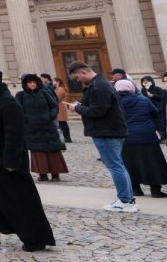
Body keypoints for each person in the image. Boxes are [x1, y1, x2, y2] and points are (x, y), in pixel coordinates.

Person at [0, 67, 56, 252]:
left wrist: (11, 162)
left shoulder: (8, 104)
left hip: (5, 163)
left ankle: (36, 237)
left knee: (18, 201)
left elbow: (15, 136)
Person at [70, 61, 136, 212]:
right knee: (118, 165)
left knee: (115, 165)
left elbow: (98, 111)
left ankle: (125, 201)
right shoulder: (100, 84)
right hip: (109, 130)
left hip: (106, 131)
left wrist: (77, 107)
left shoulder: (98, 86)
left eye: (76, 77)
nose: (77, 80)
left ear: (83, 73)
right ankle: (127, 199)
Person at [115, 79, 167, 198]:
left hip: (127, 137)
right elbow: (155, 112)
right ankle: (155, 190)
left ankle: (135, 189)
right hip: (147, 136)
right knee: (153, 162)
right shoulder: (142, 99)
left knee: (130, 163)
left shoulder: (116, 103)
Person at [16, 74, 68, 182]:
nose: (32, 84)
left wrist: (50, 116)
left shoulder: (44, 93)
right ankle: (42, 173)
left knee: (53, 149)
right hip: (32, 127)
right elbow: (18, 110)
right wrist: (27, 119)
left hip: (48, 125)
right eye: (30, 82)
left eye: (34, 82)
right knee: (38, 151)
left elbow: (54, 106)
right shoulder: (21, 95)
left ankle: (55, 174)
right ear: (25, 84)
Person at [141, 76, 167, 142]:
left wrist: (153, 96)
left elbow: (163, 97)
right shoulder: (143, 90)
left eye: (147, 80)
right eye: (144, 81)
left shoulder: (157, 89)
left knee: (160, 124)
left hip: (159, 109)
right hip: (149, 109)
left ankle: (162, 137)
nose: (145, 82)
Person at [54, 78, 73, 143]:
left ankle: (67, 137)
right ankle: (66, 137)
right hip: (60, 106)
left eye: (54, 81)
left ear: (58, 82)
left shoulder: (60, 89)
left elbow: (57, 98)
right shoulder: (59, 88)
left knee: (62, 122)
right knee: (62, 123)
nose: (53, 82)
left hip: (60, 106)